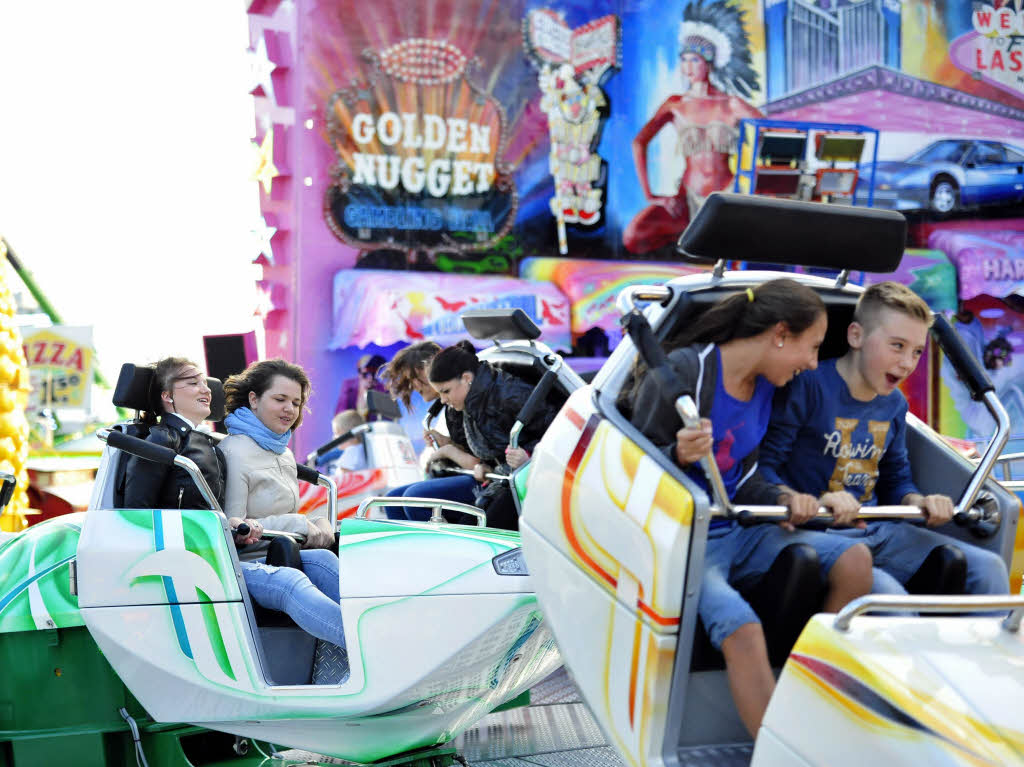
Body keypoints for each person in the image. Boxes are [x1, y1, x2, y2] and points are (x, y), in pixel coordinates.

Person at [630, 279, 874, 737]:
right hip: (685, 538)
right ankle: (780, 751)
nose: (812, 362)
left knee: (855, 558)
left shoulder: (769, 387)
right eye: (812, 346)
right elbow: (629, 468)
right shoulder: (687, 373)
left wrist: (784, 498)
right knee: (742, 630)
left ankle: (809, 695)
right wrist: (676, 455)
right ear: (780, 334)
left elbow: (746, 476)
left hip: (741, 526)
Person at [760, 282, 1009, 597]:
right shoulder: (808, 386)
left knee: (988, 569)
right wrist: (814, 501)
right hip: (816, 531)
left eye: (917, 351)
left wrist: (919, 502)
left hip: (879, 531)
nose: (907, 363)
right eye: (897, 346)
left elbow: (896, 479)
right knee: (890, 594)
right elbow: (764, 469)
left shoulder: (894, 405)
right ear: (856, 336)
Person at [122, 357, 347, 653]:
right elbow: (137, 511)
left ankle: (387, 635)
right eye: (193, 383)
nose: (205, 389)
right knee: (289, 583)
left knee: (328, 562)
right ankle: (372, 649)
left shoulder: (204, 443)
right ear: (168, 396)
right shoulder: (166, 442)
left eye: (204, 382)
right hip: (208, 557)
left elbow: (220, 515)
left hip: (227, 547)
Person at [623, 0, 762, 255]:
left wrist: (751, 180)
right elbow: (639, 142)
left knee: (744, 241)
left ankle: (710, 239)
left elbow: (773, 132)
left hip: (726, 195)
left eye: (695, 60)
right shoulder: (675, 104)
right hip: (686, 197)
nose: (688, 67)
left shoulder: (732, 104)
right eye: (684, 60)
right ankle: (693, 237)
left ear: (708, 63)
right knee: (634, 235)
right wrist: (651, 195)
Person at [428, 342, 560, 530]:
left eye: (445, 391)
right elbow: (488, 447)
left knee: (476, 533)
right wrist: (483, 464)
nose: (442, 400)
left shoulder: (510, 394)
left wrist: (528, 457)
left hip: (535, 481)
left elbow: (560, 431)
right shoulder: (466, 404)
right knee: (466, 529)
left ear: (466, 378)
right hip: (501, 480)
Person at [220, 359, 335, 549]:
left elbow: (287, 520)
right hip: (252, 563)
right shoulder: (234, 452)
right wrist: (299, 524)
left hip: (287, 554)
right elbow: (234, 533)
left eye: (296, 403)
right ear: (254, 400)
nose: (289, 409)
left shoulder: (285, 453)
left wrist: (317, 522)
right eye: (280, 399)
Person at [380, 340, 479, 522]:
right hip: (463, 473)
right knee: (391, 500)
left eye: (415, 378)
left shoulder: (464, 401)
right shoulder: (449, 406)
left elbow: (481, 460)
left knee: (414, 497)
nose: (413, 387)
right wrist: (446, 442)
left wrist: (445, 451)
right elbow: (470, 447)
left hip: (481, 480)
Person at [335, 353, 387, 418]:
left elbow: (387, 417)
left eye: (373, 374)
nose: (370, 378)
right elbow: (340, 413)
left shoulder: (382, 389)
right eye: (366, 374)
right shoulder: (348, 385)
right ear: (359, 373)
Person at [316, 409, 367, 475]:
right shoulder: (362, 449)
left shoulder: (351, 451)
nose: (334, 437)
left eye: (337, 433)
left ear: (350, 436)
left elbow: (342, 474)